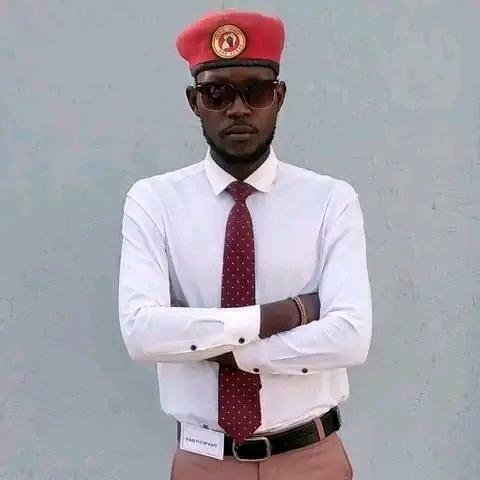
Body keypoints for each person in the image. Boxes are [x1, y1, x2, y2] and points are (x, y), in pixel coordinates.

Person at [118, 9, 372, 480]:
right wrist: (282, 316)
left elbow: (350, 338)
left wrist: (222, 349)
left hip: (311, 458)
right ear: (194, 102)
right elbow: (141, 332)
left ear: (280, 97)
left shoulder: (330, 201)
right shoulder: (154, 202)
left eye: (256, 91)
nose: (238, 109)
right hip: (204, 461)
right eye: (217, 93)